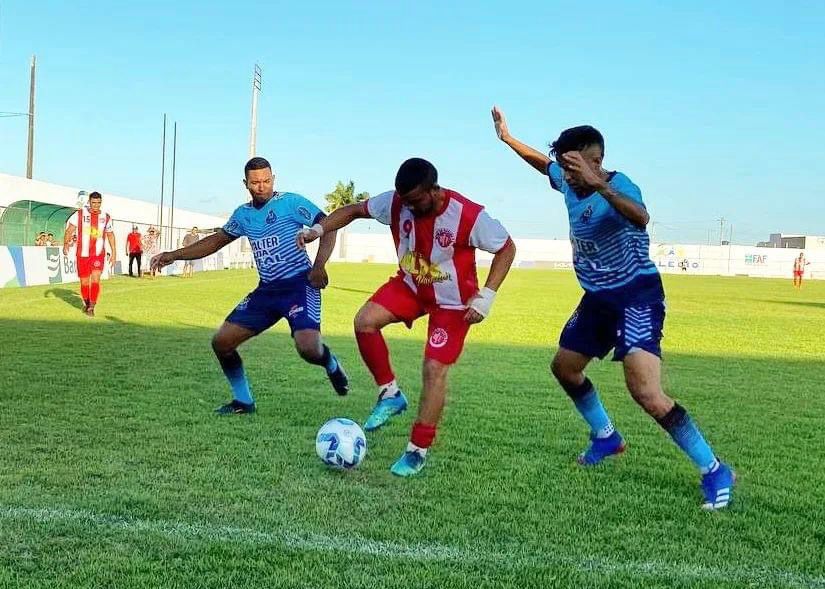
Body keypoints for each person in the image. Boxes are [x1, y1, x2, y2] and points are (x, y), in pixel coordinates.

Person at [491, 106, 734, 510]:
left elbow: (641, 218)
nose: (565, 175)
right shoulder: (567, 182)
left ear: (595, 161)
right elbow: (541, 165)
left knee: (646, 392)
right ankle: (606, 437)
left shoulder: (620, 187)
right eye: (564, 166)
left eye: (572, 167)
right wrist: (508, 139)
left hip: (636, 295)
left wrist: (599, 185)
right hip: (598, 298)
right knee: (565, 368)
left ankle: (714, 469)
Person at [298, 158, 516, 477]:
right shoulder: (397, 202)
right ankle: (390, 394)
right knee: (364, 321)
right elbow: (353, 210)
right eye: (405, 203)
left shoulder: (468, 214)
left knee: (433, 368)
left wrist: (488, 295)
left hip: (453, 303)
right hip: (411, 285)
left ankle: (417, 450)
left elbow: (506, 248)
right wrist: (319, 229)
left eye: (416, 201)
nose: (409, 209)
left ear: (434, 191)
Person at [151, 157, 349, 414]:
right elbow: (216, 241)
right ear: (246, 183)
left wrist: (320, 265)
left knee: (309, 349)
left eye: (266, 180)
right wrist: (174, 254)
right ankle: (243, 401)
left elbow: (328, 226)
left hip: (300, 284)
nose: (261, 186)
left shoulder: (291, 202)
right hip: (266, 291)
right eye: (255, 182)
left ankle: (331, 364)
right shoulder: (243, 215)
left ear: (273, 179)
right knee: (221, 342)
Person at [63, 191, 116, 317]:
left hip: (98, 254)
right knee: (84, 282)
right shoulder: (79, 214)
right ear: (89, 202)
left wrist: (114, 252)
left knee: (96, 278)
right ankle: (87, 303)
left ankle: (92, 307)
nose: (96, 205)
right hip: (82, 254)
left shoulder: (106, 217)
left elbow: (110, 235)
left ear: (101, 202)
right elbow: (70, 230)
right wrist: (65, 244)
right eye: (94, 203)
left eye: (98, 203)